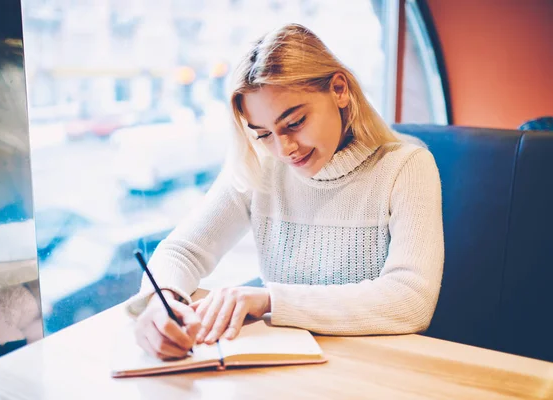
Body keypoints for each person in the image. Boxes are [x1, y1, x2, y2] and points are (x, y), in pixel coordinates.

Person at [128, 23, 444, 360]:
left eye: (294, 123)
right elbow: (182, 251)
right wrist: (163, 300)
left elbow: (411, 300)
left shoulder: (407, 167)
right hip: (284, 369)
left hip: (373, 368)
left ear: (339, 90)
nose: (284, 149)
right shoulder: (261, 165)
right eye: (264, 133)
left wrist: (270, 300)